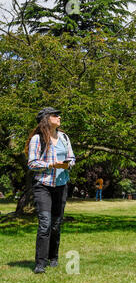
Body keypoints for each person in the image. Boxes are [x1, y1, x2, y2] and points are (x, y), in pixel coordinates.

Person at [25, 107, 75, 274]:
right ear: (46, 119)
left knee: (56, 224)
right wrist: (51, 165)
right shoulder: (37, 139)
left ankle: (53, 257)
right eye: (55, 115)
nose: (59, 117)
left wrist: (68, 163)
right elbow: (32, 163)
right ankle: (40, 263)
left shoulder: (64, 137)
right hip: (43, 185)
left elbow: (72, 157)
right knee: (45, 223)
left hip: (61, 185)